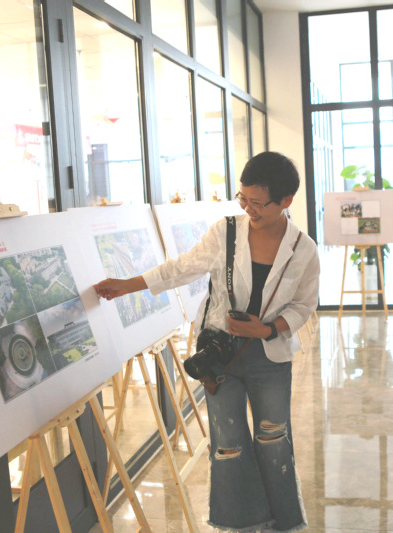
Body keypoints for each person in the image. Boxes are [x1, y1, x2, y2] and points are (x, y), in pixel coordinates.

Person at [94, 152, 319, 532]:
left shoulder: (303, 249)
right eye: (243, 198)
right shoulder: (226, 232)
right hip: (220, 356)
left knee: (273, 439)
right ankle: (241, 524)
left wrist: (266, 330)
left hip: (270, 358)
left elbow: (304, 305)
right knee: (228, 443)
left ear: (286, 201)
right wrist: (129, 285)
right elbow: (183, 267)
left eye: (257, 202)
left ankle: (283, 522)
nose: (248, 208)